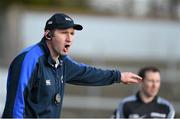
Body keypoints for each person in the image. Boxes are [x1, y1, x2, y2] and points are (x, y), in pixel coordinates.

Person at [2, 13, 142, 118]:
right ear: (48, 35)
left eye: (72, 33)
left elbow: (88, 73)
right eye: (64, 33)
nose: (69, 38)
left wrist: (118, 76)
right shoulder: (29, 59)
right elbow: (15, 105)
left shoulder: (63, 62)